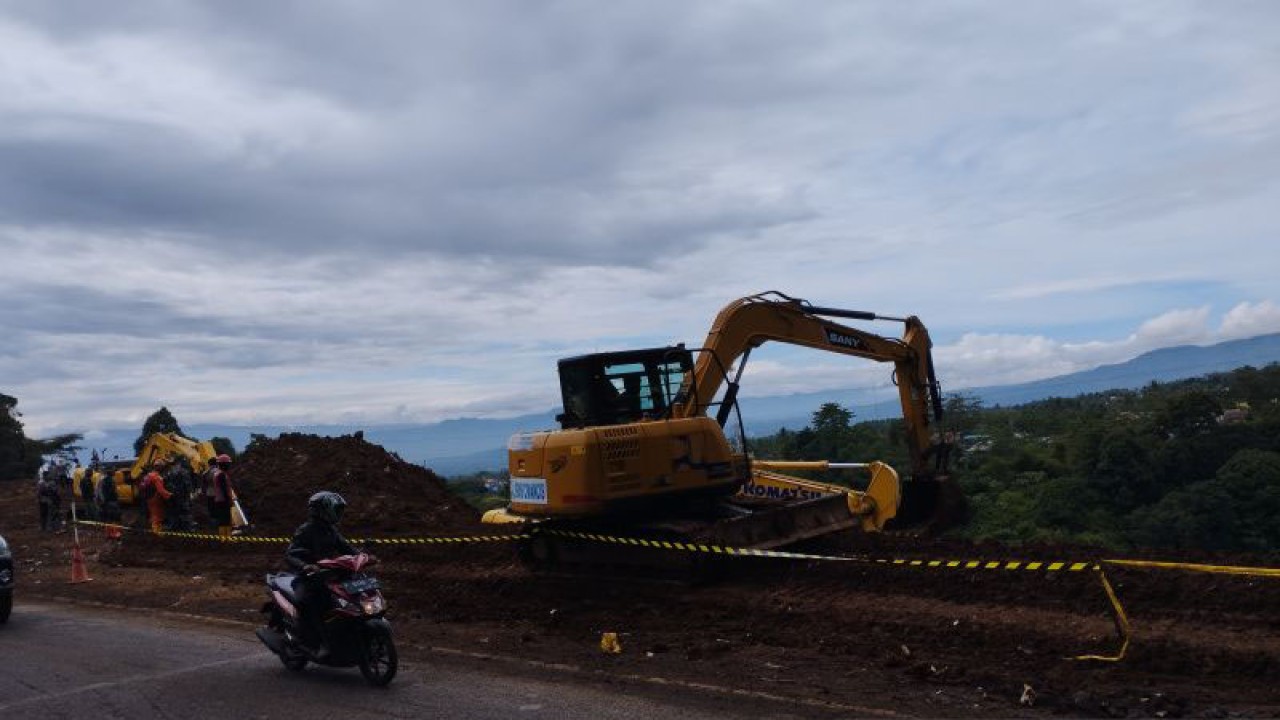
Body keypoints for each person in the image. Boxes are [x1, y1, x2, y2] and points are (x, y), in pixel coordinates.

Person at [284, 491, 359, 653]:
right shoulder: (305, 530)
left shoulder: (331, 530)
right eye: (336, 509)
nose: (339, 513)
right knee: (310, 603)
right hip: (308, 578)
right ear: (322, 510)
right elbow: (290, 554)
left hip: (328, 575)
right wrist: (306, 566)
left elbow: (346, 547)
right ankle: (308, 640)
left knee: (348, 599)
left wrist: (363, 556)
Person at [140, 459, 172, 533]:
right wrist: (171, 495)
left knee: (153, 514)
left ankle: (156, 530)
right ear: (160, 467)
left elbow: (142, 486)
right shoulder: (157, 477)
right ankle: (157, 533)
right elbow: (161, 490)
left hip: (148, 498)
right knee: (157, 516)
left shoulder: (148, 475)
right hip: (156, 499)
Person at [208, 455, 236, 539]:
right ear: (224, 464)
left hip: (219, 500)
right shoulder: (221, 475)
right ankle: (226, 538)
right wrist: (229, 500)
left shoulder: (218, 474)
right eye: (228, 464)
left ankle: (223, 538)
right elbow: (224, 489)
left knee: (223, 519)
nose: (229, 466)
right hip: (223, 500)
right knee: (226, 520)